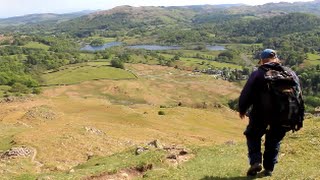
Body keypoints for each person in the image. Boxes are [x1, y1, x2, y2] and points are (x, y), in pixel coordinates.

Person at [238, 49, 304, 177]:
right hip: (285, 115)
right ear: (276, 58)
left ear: (262, 60)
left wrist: (242, 109)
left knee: (252, 134)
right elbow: (299, 96)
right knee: (274, 140)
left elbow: (247, 93)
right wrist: (299, 117)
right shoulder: (290, 73)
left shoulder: (258, 74)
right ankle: (269, 168)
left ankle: (256, 161)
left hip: (261, 114)